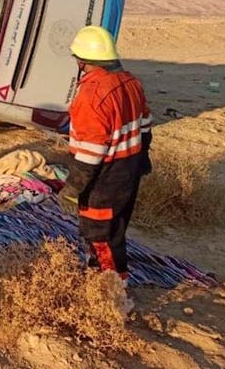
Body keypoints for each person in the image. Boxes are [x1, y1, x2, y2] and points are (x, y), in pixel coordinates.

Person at [58, 26, 152, 280]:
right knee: (116, 229)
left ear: (81, 60)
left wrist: (73, 188)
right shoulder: (131, 82)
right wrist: (143, 160)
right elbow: (145, 124)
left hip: (104, 178)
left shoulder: (92, 94)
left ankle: (111, 290)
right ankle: (103, 274)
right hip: (128, 170)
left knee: (99, 235)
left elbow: (92, 151)